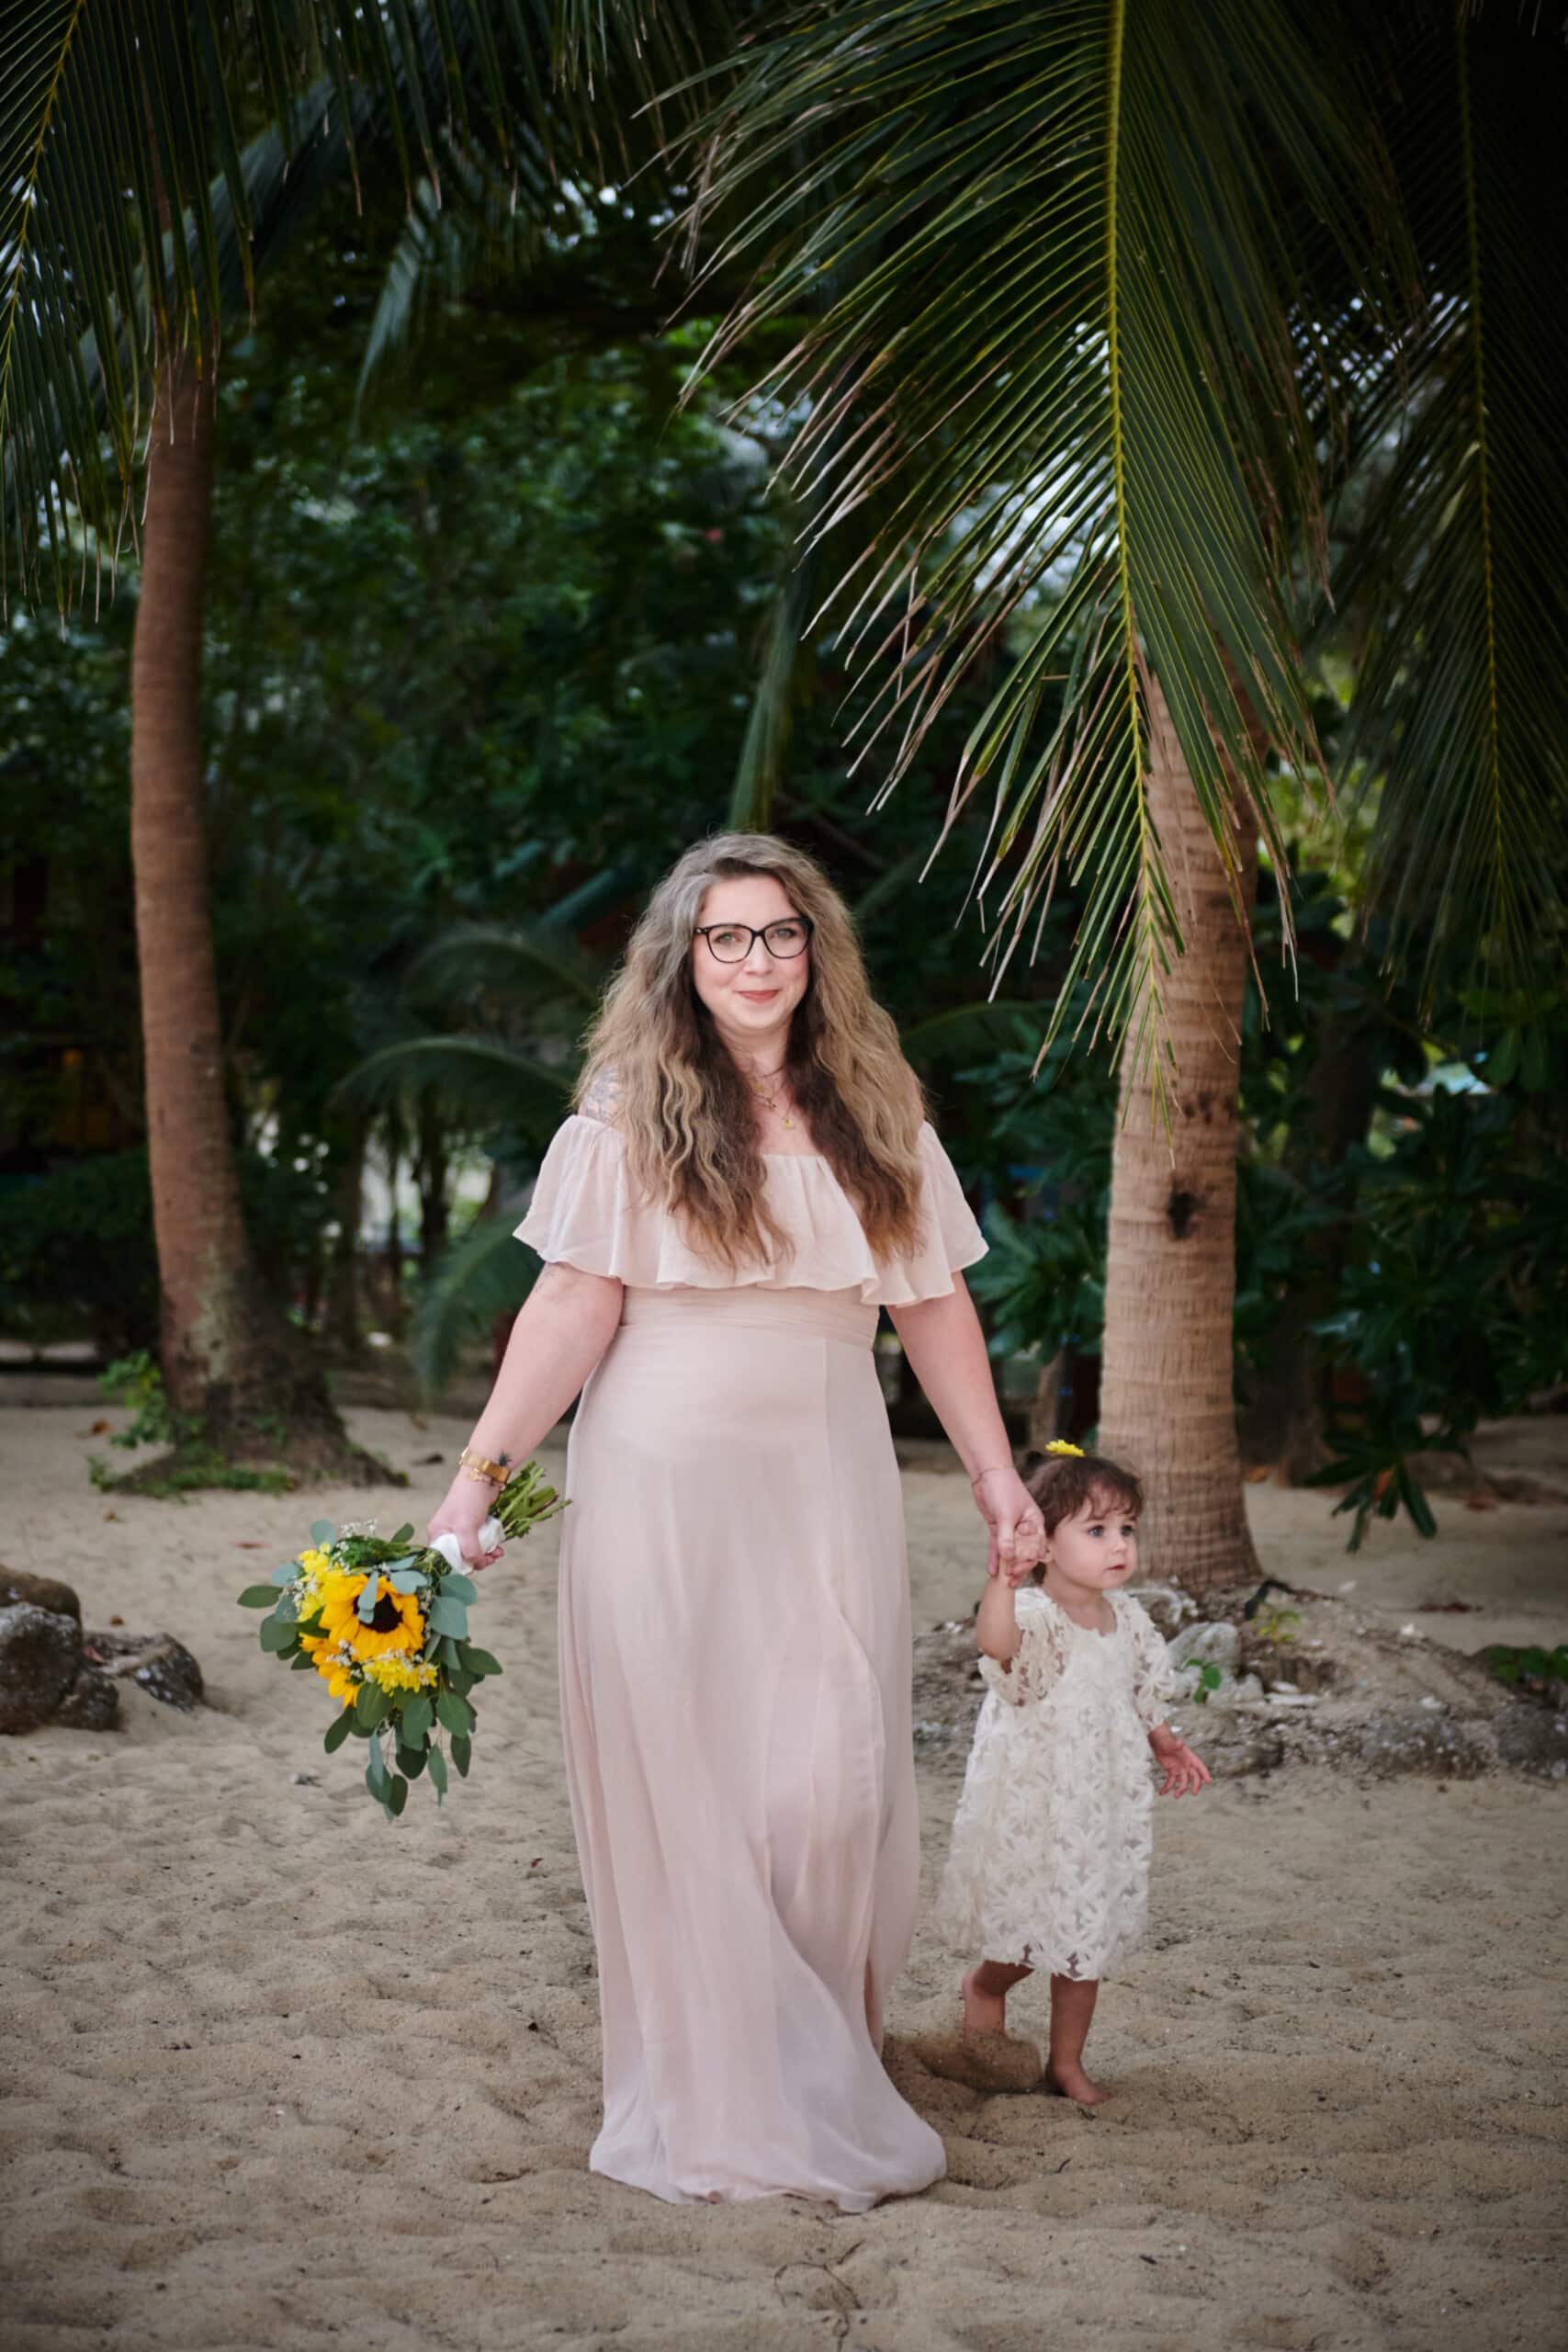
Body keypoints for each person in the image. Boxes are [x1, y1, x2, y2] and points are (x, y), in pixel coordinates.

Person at [425, 831, 1045, 2210]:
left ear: (813, 951)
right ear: (683, 960)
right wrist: (472, 1487)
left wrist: (999, 1475)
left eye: (777, 934)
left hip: (827, 1474)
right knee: (687, 1787)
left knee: (828, 1788)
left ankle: (816, 2056)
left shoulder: (877, 1107)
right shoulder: (623, 1108)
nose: (754, 960)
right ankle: (719, 2090)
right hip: (659, 1475)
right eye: (725, 937)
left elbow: (931, 1304)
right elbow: (570, 1308)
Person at [932, 1443, 1210, 2105]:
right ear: (1045, 1547)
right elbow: (997, 1648)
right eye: (1095, 1530)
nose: (1117, 1545)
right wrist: (1001, 1579)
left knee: (1081, 1937)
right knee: (1023, 1942)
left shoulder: (1129, 1619)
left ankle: (1066, 2064)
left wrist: (1165, 1743)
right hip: (1037, 1804)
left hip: (1095, 1804)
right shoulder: (1034, 1615)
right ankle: (984, 1993)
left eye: (1125, 1529)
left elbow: (1141, 1691)